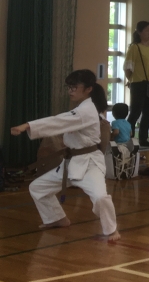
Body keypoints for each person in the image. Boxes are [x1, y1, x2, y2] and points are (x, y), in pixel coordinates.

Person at [10, 69, 119, 241]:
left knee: (99, 197)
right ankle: (57, 218)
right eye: (69, 87)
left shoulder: (87, 110)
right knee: (38, 188)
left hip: (90, 164)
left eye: (74, 87)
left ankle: (111, 230)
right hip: (71, 162)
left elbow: (57, 121)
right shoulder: (83, 108)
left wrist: (27, 126)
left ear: (88, 89)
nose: (70, 91)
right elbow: (61, 123)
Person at [124, 20, 149, 148]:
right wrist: (132, 80)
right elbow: (128, 67)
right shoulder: (134, 47)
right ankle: (129, 138)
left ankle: (143, 139)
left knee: (148, 113)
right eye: (146, 31)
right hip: (138, 83)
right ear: (139, 32)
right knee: (135, 112)